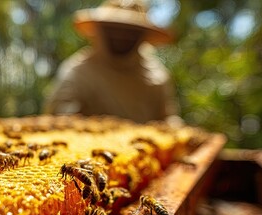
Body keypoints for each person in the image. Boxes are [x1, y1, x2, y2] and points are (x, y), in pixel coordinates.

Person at [45, 0, 181, 125]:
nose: (122, 36)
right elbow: (60, 121)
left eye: (131, 31)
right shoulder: (78, 72)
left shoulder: (156, 76)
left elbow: (167, 120)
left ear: (142, 35)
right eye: (114, 29)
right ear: (100, 30)